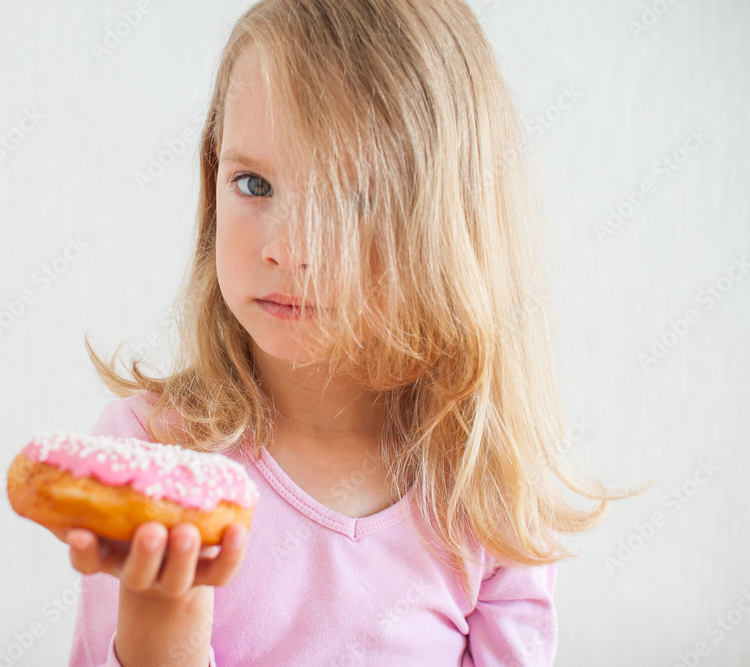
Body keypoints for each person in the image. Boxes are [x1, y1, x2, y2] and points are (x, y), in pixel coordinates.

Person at [49, 0, 654, 664]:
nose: (287, 248)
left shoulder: (489, 493)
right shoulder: (155, 458)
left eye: (352, 198)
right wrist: (162, 626)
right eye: (254, 183)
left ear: (446, 222)